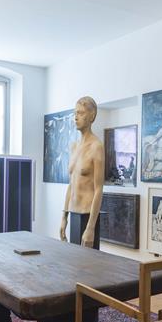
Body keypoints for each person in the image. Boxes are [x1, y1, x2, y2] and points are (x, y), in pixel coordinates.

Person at [59, 96, 104, 248]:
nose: (76, 117)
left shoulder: (96, 147)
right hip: (74, 213)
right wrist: (64, 217)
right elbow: (71, 184)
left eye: (81, 113)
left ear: (91, 116)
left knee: (87, 262)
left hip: (87, 214)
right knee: (72, 260)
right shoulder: (74, 147)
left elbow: (99, 189)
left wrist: (91, 227)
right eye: (75, 113)